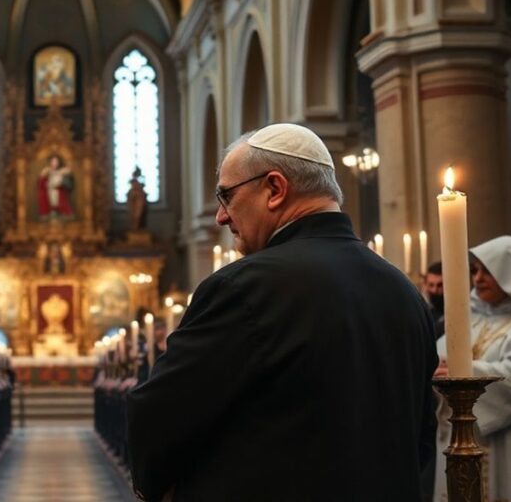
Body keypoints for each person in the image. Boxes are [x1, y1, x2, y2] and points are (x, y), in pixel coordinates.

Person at [126, 123, 438, 501]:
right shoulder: (405, 292)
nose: (220, 218)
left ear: (274, 189)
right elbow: (420, 441)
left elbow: (159, 422)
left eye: (226, 196)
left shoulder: (243, 287)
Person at [433, 236, 511, 501]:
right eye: (474, 270)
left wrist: (465, 376)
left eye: (487, 271)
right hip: (465, 431)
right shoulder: (473, 317)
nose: (477, 279)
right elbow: (440, 358)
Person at [423, 261, 445, 338]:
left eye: (440, 285)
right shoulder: (424, 314)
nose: (434, 290)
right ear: (425, 285)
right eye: (431, 285)